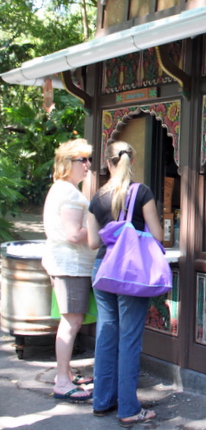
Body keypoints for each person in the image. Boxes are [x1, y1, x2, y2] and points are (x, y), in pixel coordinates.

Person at [87, 141, 163, 426]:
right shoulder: (141, 192)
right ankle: (129, 408)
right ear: (131, 162)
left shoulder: (97, 198)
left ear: (108, 163)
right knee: (129, 339)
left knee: (106, 335)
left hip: (104, 270)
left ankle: (102, 401)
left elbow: (92, 242)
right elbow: (157, 235)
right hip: (131, 272)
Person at [42, 138, 97, 402]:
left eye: (89, 159)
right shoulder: (69, 193)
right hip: (71, 266)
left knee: (70, 321)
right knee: (72, 322)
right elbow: (74, 234)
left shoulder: (64, 189)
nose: (88, 165)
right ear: (67, 163)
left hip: (67, 264)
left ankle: (65, 373)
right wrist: (101, 227)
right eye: (82, 160)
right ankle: (62, 382)